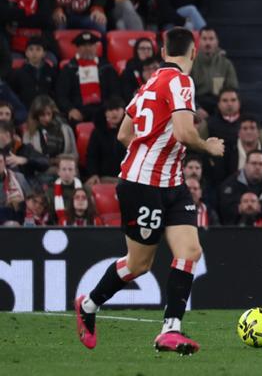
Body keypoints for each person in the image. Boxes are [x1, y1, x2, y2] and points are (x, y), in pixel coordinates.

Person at [74, 27, 225, 354]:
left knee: (190, 252)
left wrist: (153, 154)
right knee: (139, 264)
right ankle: (88, 305)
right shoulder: (181, 81)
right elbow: (186, 133)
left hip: (171, 183)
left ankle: (171, 330)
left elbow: (124, 134)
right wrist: (207, 146)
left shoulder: (149, 83)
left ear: (162, 51)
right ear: (194, 52)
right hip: (143, 185)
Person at [55, 31, 119, 123]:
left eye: (91, 45)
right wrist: (70, 109)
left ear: (96, 47)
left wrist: (111, 109)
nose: (88, 48)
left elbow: (115, 91)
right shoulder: (69, 69)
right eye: (84, 45)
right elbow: (61, 95)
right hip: (78, 112)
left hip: (105, 111)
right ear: (77, 48)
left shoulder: (106, 67)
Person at [217, 150, 262, 226]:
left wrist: (261, 210)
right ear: (245, 165)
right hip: (234, 232)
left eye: (261, 164)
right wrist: (239, 209)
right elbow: (222, 213)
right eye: (254, 163)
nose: (257, 167)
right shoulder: (229, 185)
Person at [191, 28, 239, 116]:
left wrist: (222, 108)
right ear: (199, 42)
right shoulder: (191, 64)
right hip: (197, 104)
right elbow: (187, 92)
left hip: (219, 105)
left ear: (217, 42)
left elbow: (232, 89)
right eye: (204, 39)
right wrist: (196, 108)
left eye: (211, 39)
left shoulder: (226, 64)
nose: (208, 43)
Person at [23, 95, 75, 169]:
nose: (46, 118)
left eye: (48, 114)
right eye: (42, 115)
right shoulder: (29, 134)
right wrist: (52, 161)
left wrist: (64, 160)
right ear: (36, 115)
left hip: (66, 170)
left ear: (53, 113)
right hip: (40, 173)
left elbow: (75, 155)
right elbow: (28, 159)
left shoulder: (65, 128)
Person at [84, 98, 127, 186]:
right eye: (111, 110)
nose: (114, 113)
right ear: (105, 113)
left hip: (126, 179)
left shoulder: (130, 131)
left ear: (124, 111)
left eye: (117, 109)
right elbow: (92, 156)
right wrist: (93, 174)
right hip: (103, 178)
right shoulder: (97, 132)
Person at [8, 38, 56, 109]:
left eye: (38, 49)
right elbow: (13, 95)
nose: (34, 53)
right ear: (26, 53)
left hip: (47, 110)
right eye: (31, 49)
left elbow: (56, 93)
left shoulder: (52, 72)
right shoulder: (17, 73)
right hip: (25, 110)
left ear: (44, 53)